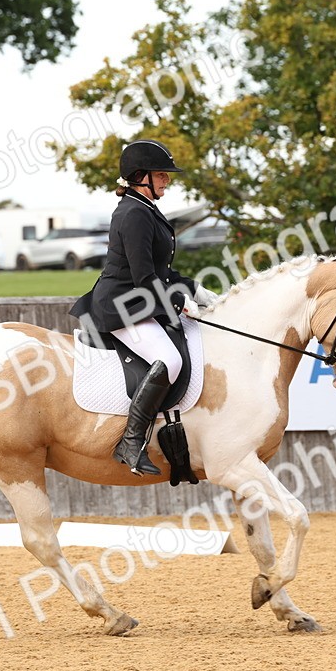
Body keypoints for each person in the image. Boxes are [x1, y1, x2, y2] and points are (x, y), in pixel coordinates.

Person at [69, 139, 217, 475]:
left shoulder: (145, 207)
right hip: (122, 305)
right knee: (170, 360)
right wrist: (179, 302)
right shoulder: (134, 213)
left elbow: (161, 271)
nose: (167, 180)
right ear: (140, 176)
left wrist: (194, 287)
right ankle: (131, 441)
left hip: (140, 300)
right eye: (161, 174)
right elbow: (144, 277)